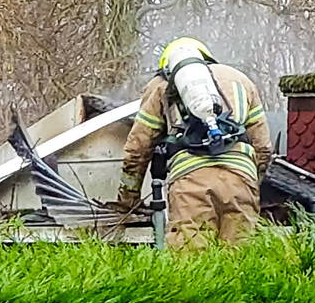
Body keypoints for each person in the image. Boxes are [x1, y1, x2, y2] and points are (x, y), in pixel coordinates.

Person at [116, 38, 272, 249]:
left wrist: (128, 200)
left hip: (190, 183)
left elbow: (137, 149)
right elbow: (263, 147)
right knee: (240, 257)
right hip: (240, 180)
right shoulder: (240, 80)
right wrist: (252, 181)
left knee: (191, 260)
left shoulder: (161, 85)